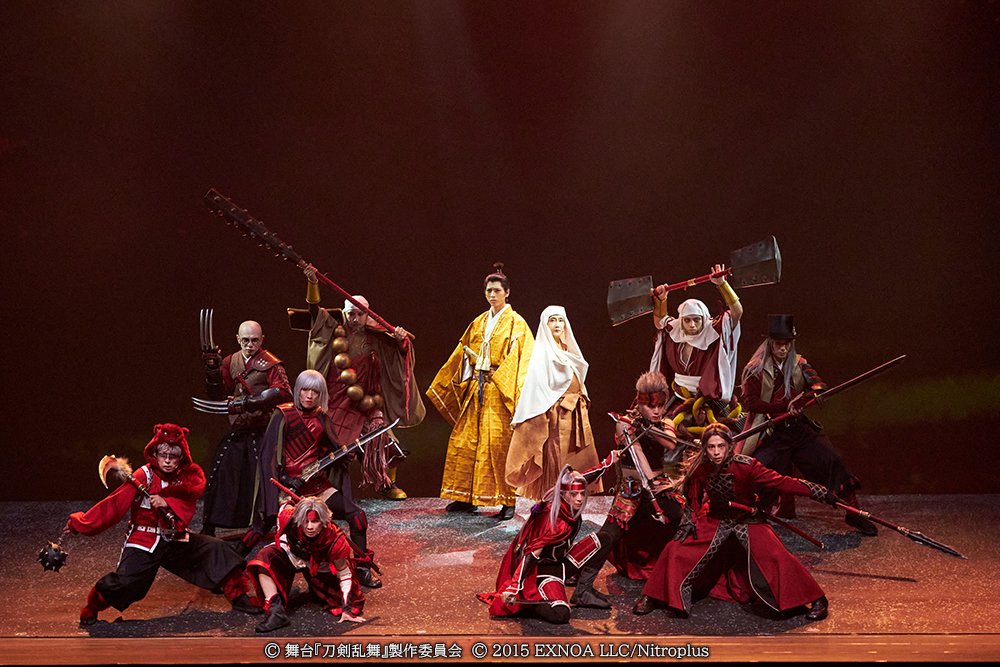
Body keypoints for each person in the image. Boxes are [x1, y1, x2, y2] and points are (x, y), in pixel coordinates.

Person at [68, 423, 261, 626]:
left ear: (181, 457)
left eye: (173, 456)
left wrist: (167, 501)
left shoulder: (183, 478)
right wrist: (79, 524)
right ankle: (91, 608)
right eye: (163, 455)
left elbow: (187, 505)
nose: (168, 461)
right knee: (128, 583)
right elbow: (114, 505)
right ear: (155, 454)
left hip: (174, 537)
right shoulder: (143, 476)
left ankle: (239, 597)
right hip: (144, 539)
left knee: (216, 549)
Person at [636, 422, 831, 621]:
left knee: (775, 555)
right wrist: (689, 522)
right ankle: (652, 596)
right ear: (705, 449)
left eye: (721, 446)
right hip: (715, 518)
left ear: (729, 446)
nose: (716, 452)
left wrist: (819, 492)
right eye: (711, 447)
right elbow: (693, 499)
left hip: (747, 519)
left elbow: (782, 482)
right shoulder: (701, 468)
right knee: (676, 548)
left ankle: (817, 599)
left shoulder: (747, 466)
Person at [288, 266, 425, 500]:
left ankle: (386, 483)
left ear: (368, 314)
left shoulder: (377, 336)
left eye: (360, 314)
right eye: (351, 313)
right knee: (330, 448)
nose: (355, 319)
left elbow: (398, 357)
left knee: (385, 440)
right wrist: (313, 283)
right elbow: (314, 311)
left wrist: (401, 342)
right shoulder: (333, 330)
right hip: (335, 402)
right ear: (344, 312)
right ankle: (325, 490)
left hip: (365, 403)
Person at [738, 314, 877, 535]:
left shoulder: (799, 363)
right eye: (778, 344)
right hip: (770, 432)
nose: (783, 348)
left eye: (787, 344)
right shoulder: (754, 369)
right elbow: (750, 403)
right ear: (770, 343)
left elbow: (818, 386)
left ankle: (853, 512)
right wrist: (781, 407)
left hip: (798, 430)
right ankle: (755, 518)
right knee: (757, 470)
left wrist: (803, 399)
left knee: (831, 461)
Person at [257, 369, 382, 588]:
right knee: (280, 531)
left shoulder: (322, 418)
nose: (309, 396)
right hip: (289, 490)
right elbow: (270, 456)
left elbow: (330, 452)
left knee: (358, 517)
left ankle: (362, 569)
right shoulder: (283, 415)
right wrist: (286, 479)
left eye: (315, 392)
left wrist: (347, 453)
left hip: (317, 487)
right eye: (305, 390)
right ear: (298, 390)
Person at [427, 263, 534, 519]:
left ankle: (507, 500)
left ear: (507, 293)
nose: (492, 295)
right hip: (476, 387)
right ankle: (465, 497)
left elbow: (521, 360)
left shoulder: (517, 323)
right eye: (489, 291)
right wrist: (464, 368)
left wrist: (504, 383)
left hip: (499, 390)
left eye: (497, 290)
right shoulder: (478, 322)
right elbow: (462, 350)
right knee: (465, 441)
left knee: (497, 444)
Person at [570, 371, 685, 609]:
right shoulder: (625, 423)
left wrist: (648, 427)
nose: (657, 411)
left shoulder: (665, 423)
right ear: (640, 402)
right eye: (651, 406)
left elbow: (670, 442)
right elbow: (638, 455)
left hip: (658, 486)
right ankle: (581, 588)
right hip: (631, 491)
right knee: (608, 536)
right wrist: (649, 479)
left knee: (682, 520)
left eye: (661, 405)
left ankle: (675, 581)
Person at [479, 458, 616, 624]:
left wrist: (608, 462)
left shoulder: (565, 497)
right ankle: (529, 603)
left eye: (582, 493)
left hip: (561, 563)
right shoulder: (552, 520)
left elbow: (581, 480)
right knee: (561, 614)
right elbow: (531, 554)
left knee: (603, 538)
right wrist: (514, 586)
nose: (580, 499)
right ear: (563, 494)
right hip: (543, 572)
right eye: (574, 495)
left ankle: (583, 592)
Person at [200, 320, 291, 539]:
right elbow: (218, 394)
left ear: (262, 340)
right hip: (239, 428)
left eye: (254, 340)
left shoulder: (271, 364)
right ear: (238, 339)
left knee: (263, 478)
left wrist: (251, 402)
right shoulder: (231, 361)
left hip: (262, 431)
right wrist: (213, 370)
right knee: (221, 472)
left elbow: (283, 392)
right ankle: (210, 525)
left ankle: (260, 525)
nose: (250, 345)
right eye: (246, 340)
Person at [506, 305, 601, 501]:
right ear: (545, 324)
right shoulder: (542, 354)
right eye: (552, 320)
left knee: (577, 461)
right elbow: (536, 389)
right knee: (557, 461)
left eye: (560, 320)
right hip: (557, 417)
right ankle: (554, 504)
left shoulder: (568, 352)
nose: (557, 324)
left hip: (575, 414)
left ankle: (573, 503)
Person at [649, 265, 743, 436]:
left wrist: (722, 284)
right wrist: (662, 299)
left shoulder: (714, 331)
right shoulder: (675, 332)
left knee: (728, 434)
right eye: (687, 320)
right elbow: (660, 321)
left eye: (696, 320)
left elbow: (737, 312)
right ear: (681, 321)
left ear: (703, 319)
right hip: (680, 399)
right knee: (659, 432)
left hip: (710, 400)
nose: (692, 325)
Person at [249, 495, 365, 632]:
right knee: (265, 556)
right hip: (293, 555)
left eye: (315, 521)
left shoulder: (335, 540)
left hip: (320, 566)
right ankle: (276, 612)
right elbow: (284, 505)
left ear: (324, 521)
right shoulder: (288, 518)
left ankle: (318, 589)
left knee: (349, 604)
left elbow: (344, 574)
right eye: (305, 521)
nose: (309, 527)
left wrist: (347, 608)